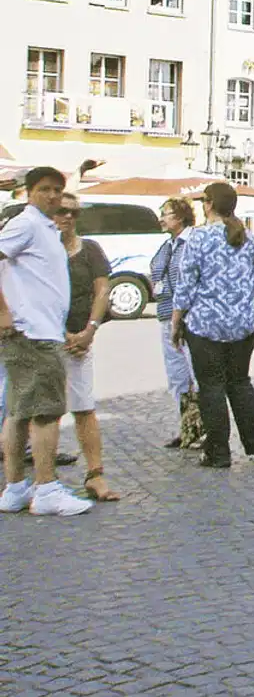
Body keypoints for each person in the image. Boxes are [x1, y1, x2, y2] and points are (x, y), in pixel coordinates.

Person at [0, 166, 93, 516]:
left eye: (58, 189)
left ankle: (15, 489)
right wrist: (4, 313)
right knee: (45, 412)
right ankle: (47, 487)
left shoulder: (43, 227)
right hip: (33, 333)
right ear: (28, 191)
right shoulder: (26, 223)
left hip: (39, 329)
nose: (53, 196)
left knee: (20, 412)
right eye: (45, 189)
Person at [172, 182, 254, 469]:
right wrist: (251, 316)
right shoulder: (249, 239)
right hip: (242, 324)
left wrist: (176, 321)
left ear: (208, 204)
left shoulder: (199, 239)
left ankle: (218, 451)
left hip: (206, 324)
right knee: (240, 383)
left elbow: (186, 285)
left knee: (212, 387)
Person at [55, 193, 119, 502]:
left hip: (80, 339)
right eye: (61, 211)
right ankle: (42, 479)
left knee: (83, 408)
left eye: (73, 213)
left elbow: (102, 290)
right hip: (47, 340)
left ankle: (95, 475)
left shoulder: (90, 249)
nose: (67, 217)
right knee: (41, 412)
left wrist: (88, 331)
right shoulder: (43, 249)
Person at [150, 196, 202, 449]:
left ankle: (205, 429)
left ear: (180, 217)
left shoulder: (193, 242)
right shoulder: (167, 245)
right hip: (166, 315)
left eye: (166, 214)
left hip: (190, 318)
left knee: (197, 373)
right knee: (178, 376)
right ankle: (188, 428)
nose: (161, 218)